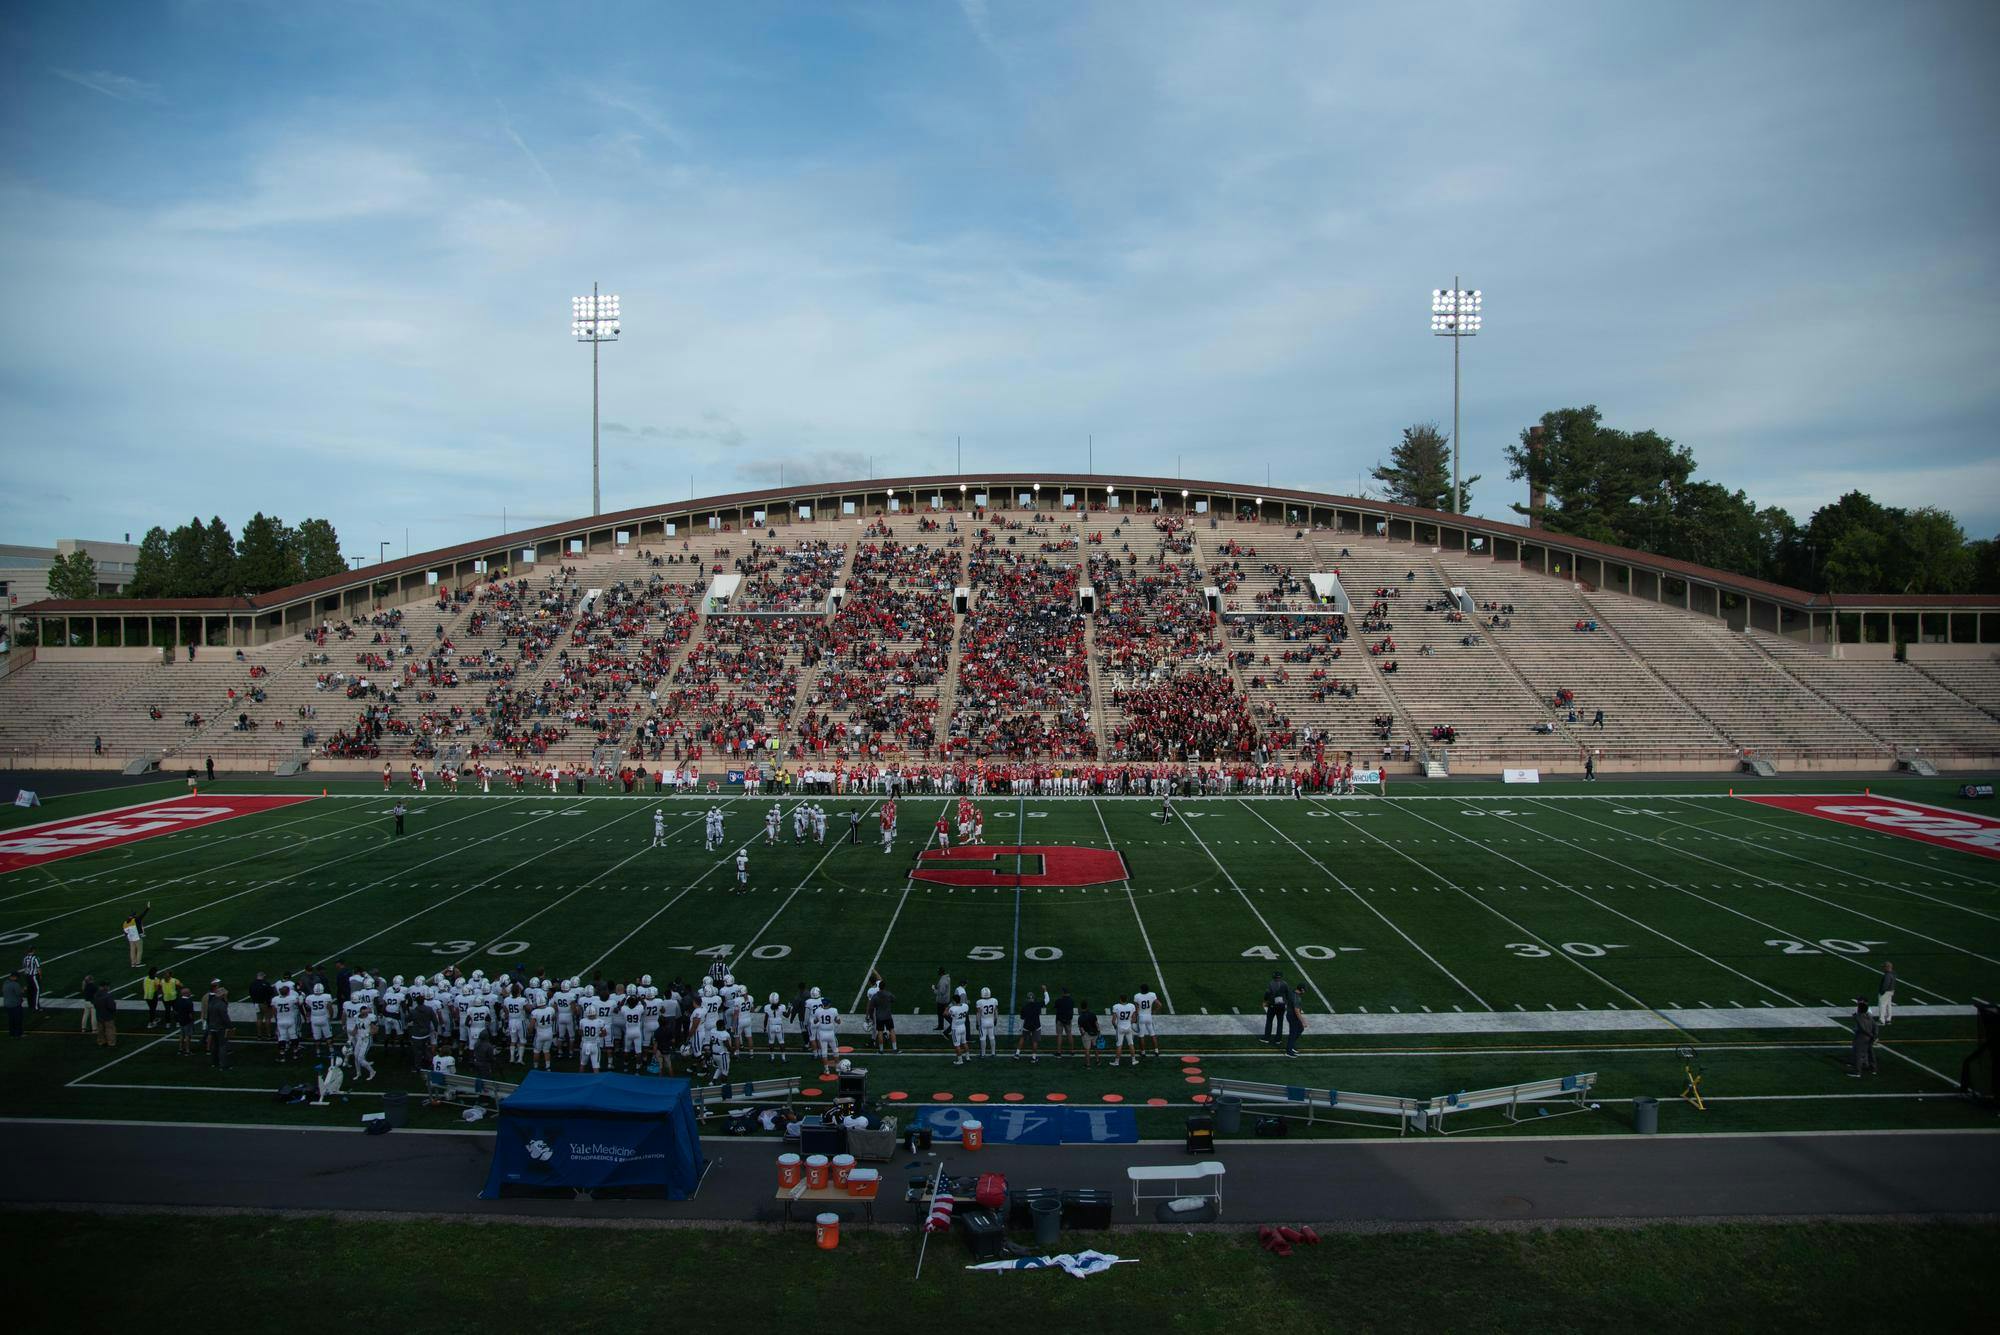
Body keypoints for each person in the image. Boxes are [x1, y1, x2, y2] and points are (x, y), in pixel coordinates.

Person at [205, 980, 231, 1070]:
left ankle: (214, 1062)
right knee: (222, 1046)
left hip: (212, 1026)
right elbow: (225, 1017)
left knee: (214, 1045)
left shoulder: (211, 1002)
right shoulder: (221, 1004)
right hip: (220, 1027)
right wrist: (230, 1026)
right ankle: (223, 1065)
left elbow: (208, 1015)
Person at [1848, 999, 1879, 1076]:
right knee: (1870, 1053)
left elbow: (1862, 1028)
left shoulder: (1858, 1017)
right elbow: (1875, 1026)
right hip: (1869, 1038)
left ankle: (1857, 1072)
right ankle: (1873, 1069)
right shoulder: (1869, 1016)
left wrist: (1871, 1035)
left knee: (1858, 1054)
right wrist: (1874, 1036)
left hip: (1861, 1038)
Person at [1015, 988, 1044, 1063]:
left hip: (1027, 1026)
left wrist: (1021, 1027)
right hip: (1036, 1026)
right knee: (1035, 1041)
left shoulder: (1024, 1007)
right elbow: (1047, 1000)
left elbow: (1022, 1018)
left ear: (1027, 999)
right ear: (1034, 998)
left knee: (1022, 1038)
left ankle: (1017, 1054)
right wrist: (1045, 990)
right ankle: (1033, 1058)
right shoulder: (1037, 1005)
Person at [1262, 971, 1291, 1043]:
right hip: (1281, 1006)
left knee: (1269, 1021)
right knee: (1280, 1023)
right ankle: (1278, 1039)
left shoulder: (1271, 983)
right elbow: (1288, 994)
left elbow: (1267, 993)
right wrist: (1286, 1003)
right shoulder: (1284, 984)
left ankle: (1266, 1038)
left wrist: (1265, 1000)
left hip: (1272, 1005)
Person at [122, 902, 152, 967]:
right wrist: (147, 908)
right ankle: (138, 963)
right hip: (137, 938)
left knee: (132, 951)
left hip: (130, 939)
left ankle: (133, 963)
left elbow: (125, 932)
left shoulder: (125, 923)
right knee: (139, 950)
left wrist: (128, 937)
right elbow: (142, 915)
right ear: (133, 916)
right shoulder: (135, 920)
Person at [1052, 986, 1076, 1058]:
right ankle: (1072, 1051)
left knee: (1059, 1035)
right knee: (1069, 1034)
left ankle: (1059, 1052)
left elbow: (1055, 1007)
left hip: (1060, 1020)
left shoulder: (1059, 1001)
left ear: (1063, 993)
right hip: (1068, 1020)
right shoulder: (1071, 1001)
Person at [93, 983, 119, 1048]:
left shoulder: (96, 995)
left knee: (100, 1030)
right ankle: (111, 1043)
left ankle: (101, 1042)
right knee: (110, 1030)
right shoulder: (108, 996)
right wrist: (114, 1011)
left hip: (99, 1015)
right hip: (108, 1016)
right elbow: (111, 1006)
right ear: (106, 987)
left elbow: (95, 1005)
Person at [1077, 999, 1101, 1069]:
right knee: (1095, 1047)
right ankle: (1098, 1061)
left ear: (1081, 1007)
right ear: (1087, 1006)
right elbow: (1096, 1024)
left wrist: (1083, 1034)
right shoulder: (1092, 1014)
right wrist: (1099, 1032)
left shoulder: (1080, 1017)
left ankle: (1088, 1064)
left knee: (1087, 1050)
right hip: (1095, 1033)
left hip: (1087, 1034)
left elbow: (1081, 1029)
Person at [1284, 992, 1305, 1058]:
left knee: (1300, 1029)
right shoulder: (1297, 998)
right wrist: (1303, 1021)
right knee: (1293, 1034)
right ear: (1302, 989)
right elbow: (1296, 1011)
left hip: (1292, 1015)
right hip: (1293, 1016)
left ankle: (1291, 1045)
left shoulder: (1293, 993)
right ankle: (1288, 1051)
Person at [3, 971, 22, 1038]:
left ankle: (12, 1034)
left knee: (11, 1020)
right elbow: (18, 993)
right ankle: (18, 1034)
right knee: (17, 1020)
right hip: (15, 1004)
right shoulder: (15, 984)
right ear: (14, 977)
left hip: (7, 1004)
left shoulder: (5, 983)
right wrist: (23, 990)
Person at [933, 968, 952, 1033]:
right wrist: (937, 987)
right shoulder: (947, 978)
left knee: (943, 1014)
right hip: (946, 999)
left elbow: (941, 992)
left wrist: (934, 990)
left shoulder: (943, 980)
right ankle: (941, 1026)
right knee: (942, 1014)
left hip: (942, 1000)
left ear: (940, 973)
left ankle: (951, 1023)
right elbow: (943, 987)